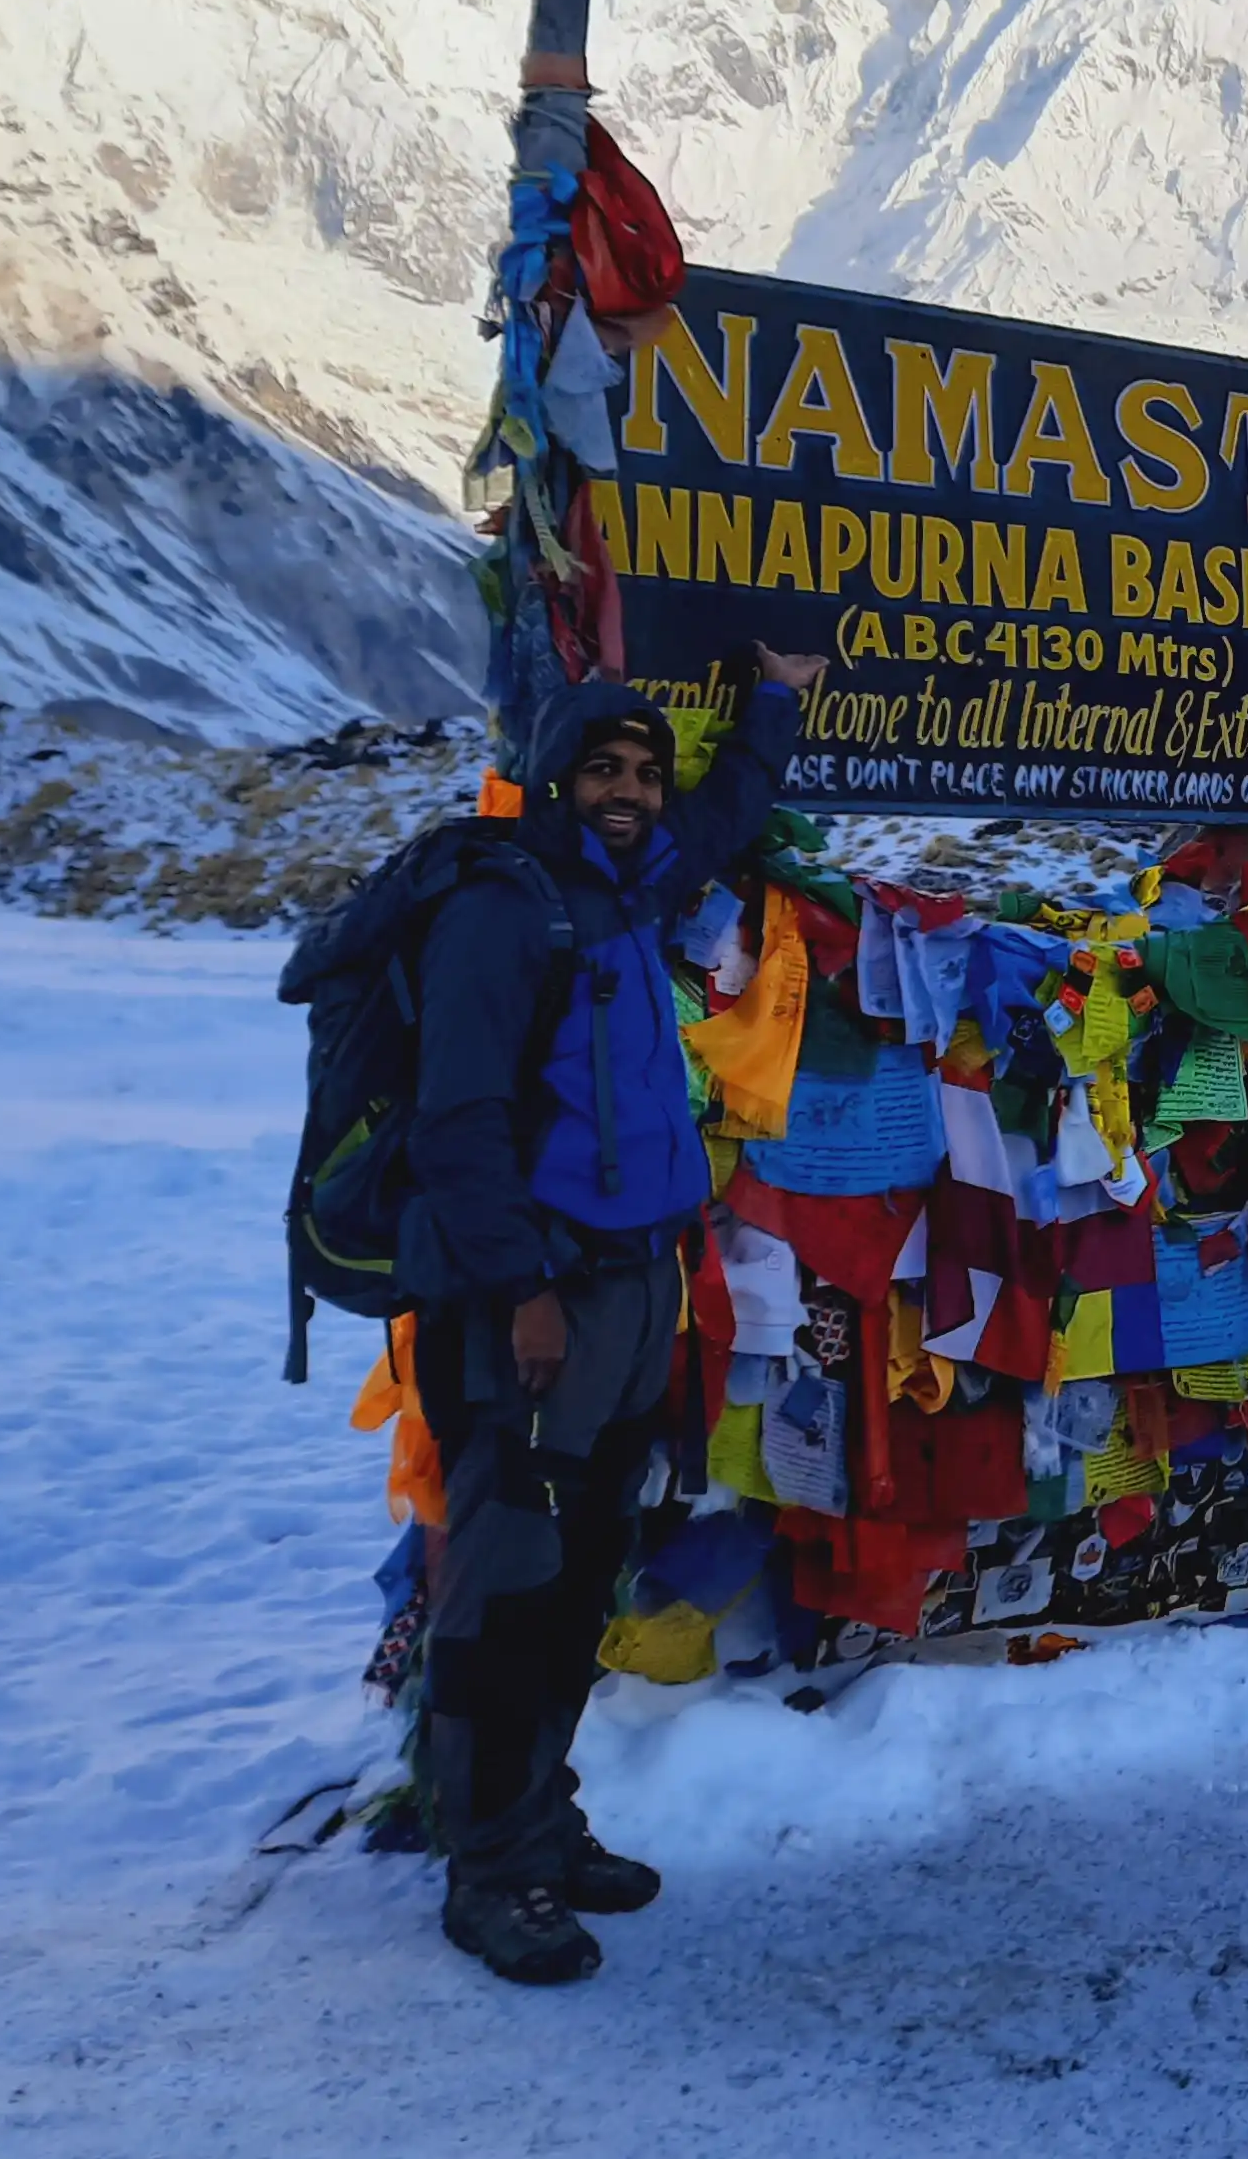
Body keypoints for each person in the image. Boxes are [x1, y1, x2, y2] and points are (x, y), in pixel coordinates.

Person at [403, 653, 821, 1984]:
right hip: (545, 1296)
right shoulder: (502, 910)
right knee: (510, 1580)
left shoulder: (627, 886)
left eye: (644, 771)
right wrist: (520, 1289)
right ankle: (491, 1869)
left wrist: (777, 699)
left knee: (584, 1569)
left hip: (637, 1284)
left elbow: (727, 813)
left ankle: (541, 1819)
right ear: (555, 775)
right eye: (605, 769)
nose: (632, 790)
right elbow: (457, 1122)